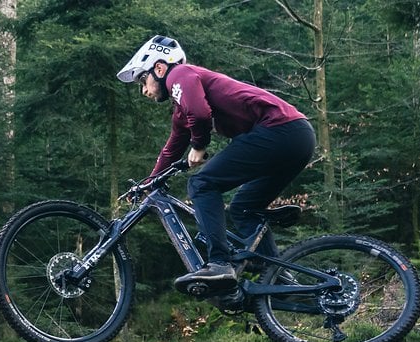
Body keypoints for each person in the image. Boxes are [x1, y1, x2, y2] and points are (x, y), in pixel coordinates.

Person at [117, 35, 316, 292]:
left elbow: (199, 114)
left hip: (281, 130)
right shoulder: (181, 109)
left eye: (143, 81)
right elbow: (172, 149)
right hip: (296, 137)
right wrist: (148, 184)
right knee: (244, 208)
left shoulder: (182, 74)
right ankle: (284, 283)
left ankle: (220, 263)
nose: (143, 90)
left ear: (159, 68)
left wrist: (199, 145)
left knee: (202, 183)